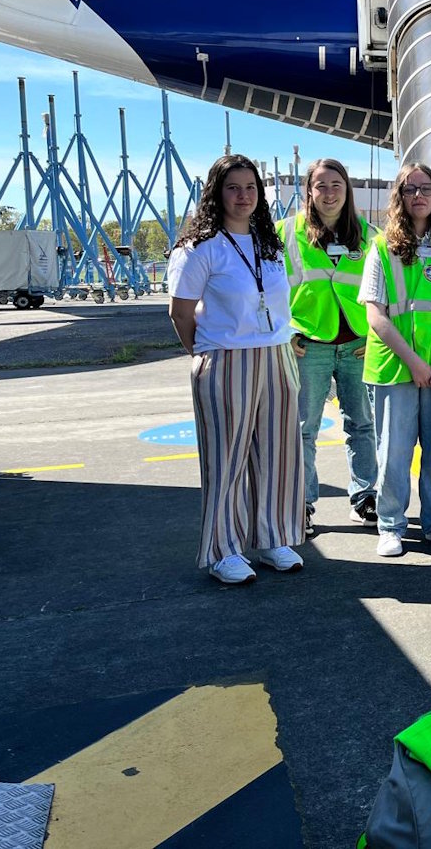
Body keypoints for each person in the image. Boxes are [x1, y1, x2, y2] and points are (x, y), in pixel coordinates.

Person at [167, 155, 306, 584]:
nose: (243, 196)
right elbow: (180, 312)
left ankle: (271, 538)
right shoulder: (200, 247)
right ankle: (223, 550)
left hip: (276, 356)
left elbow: (285, 296)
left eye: (250, 187)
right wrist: (204, 353)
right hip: (226, 359)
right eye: (233, 188)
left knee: (278, 455)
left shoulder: (272, 242)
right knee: (226, 459)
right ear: (216, 193)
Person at [359, 163, 431, 557]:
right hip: (395, 367)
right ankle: (391, 524)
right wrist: (413, 362)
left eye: (426, 188)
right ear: (400, 196)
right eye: (410, 190)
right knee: (393, 449)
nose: (419, 196)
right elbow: (376, 315)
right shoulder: (380, 247)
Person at [278, 158, 377, 536]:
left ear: (347, 189)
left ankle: (365, 496)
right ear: (309, 191)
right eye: (321, 185)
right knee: (304, 428)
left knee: (362, 424)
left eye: (336, 185)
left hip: (357, 344)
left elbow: (386, 289)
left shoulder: (370, 235)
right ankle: (302, 503)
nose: (329, 193)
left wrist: (376, 336)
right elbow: (270, 291)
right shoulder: (286, 232)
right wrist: (286, 332)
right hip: (309, 345)